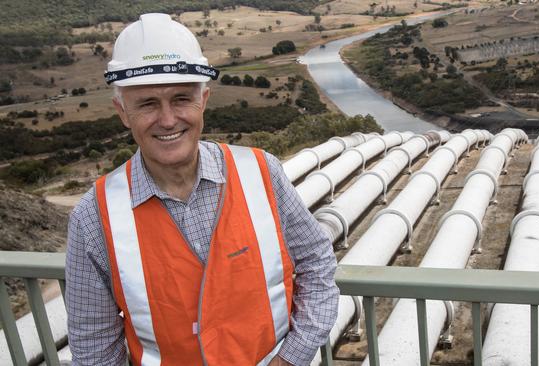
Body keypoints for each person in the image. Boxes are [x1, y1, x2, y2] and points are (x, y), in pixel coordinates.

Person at [65, 13, 338, 366]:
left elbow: (318, 268)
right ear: (122, 111)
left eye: (181, 99)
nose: (167, 120)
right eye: (147, 103)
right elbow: (94, 347)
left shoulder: (262, 172)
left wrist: (290, 358)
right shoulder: (93, 217)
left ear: (203, 100)